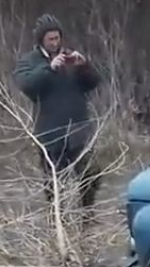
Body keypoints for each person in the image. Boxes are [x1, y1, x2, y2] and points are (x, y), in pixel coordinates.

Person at [12, 13, 103, 225]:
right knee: (55, 183)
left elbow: (94, 82)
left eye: (57, 37)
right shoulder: (29, 62)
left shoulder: (71, 57)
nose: (56, 42)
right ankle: (57, 223)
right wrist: (49, 69)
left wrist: (84, 66)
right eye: (51, 39)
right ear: (41, 40)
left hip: (78, 129)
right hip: (50, 132)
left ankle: (87, 216)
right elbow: (27, 86)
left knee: (91, 174)